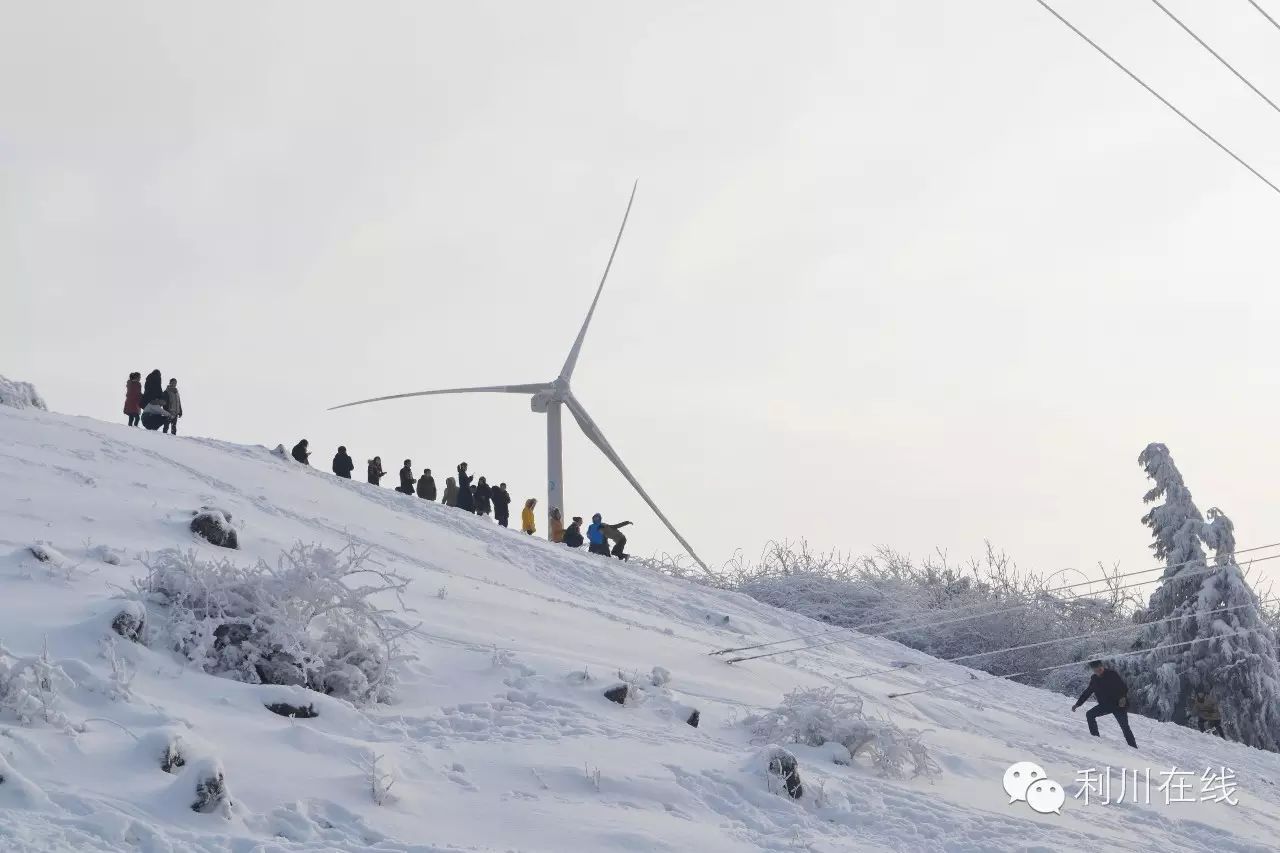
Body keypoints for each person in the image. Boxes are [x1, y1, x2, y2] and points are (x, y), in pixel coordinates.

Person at [1072, 660, 1137, 748]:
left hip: (1118, 705)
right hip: (1105, 705)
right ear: (1093, 670)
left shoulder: (1112, 674)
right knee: (1090, 714)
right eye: (1096, 670)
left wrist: (1123, 698)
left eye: (1100, 668)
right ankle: (1095, 738)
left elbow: (1123, 687)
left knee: (1124, 726)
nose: (1098, 671)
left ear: (1102, 667)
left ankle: (1133, 746)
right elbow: (1087, 692)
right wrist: (1078, 704)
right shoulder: (1094, 679)